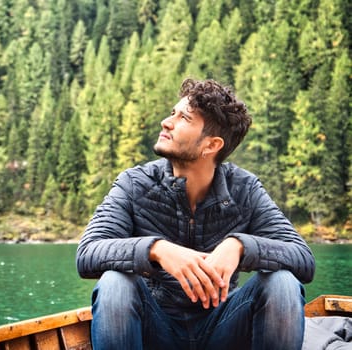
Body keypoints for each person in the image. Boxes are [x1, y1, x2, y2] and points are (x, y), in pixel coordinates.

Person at [76, 78, 315, 350]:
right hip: (155, 329)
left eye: (183, 118)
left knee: (282, 283)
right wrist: (157, 250)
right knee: (115, 283)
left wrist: (239, 245)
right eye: (172, 113)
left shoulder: (245, 189)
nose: (167, 122)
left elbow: (302, 258)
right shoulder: (134, 184)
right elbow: (88, 252)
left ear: (211, 145)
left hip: (224, 328)